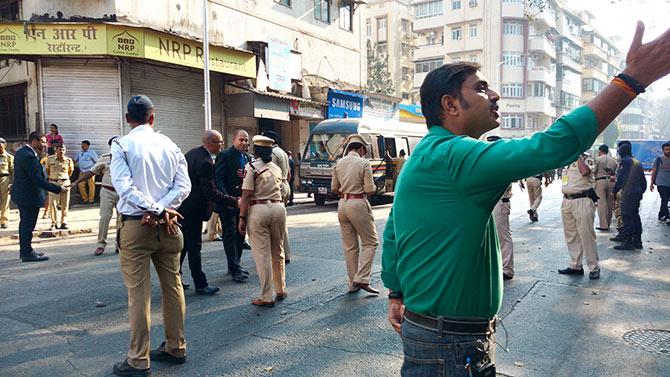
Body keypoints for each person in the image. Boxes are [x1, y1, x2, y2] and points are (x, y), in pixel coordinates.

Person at [382, 21, 670, 376]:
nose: (496, 95)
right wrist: (631, 80)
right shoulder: (453, 156)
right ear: (450, 104)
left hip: (436, 335)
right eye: (481, 88)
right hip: (449, 346)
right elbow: (551, 146)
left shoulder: (428, 155)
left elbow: (394, 229)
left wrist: (396, 291)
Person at [110, 95, 191, 377]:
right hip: (169, 226)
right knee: (173, 287)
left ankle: (138, 359)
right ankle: (176, 346)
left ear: (127, 119)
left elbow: (125, 189)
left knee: (139, 294)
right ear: (152, 118)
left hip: (137, 227)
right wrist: (163, 209)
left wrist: (154, 210)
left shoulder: (121, 144)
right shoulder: (170, 145)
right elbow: (184, 186)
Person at [178, 130, 238, 295]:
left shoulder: (191, 154)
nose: (222, 145)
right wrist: (234, 201)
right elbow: (211, 193)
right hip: (194, 210)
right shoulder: (205, 161)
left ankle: (175, 277)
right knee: (194, 247)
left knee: (183, 246)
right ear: (210, 143)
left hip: (184, 208)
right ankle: (201, 284)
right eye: (219, 142)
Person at [238, 135, 287, 307]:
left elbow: (246, 194)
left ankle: (267, 295)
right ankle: (281, 289)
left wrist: (242, 218)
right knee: (277, 250)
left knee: (262, 254)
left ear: (256, 151)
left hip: (259, 210)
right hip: (278, 208)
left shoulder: (251, 167)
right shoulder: (276, 168)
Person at [332, 135, 379, 295]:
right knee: (371, 242)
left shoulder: (339, 163)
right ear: (361, 149)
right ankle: (362, 278)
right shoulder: (364, 163)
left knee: (350, 247)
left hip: (342, 205)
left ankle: (352, 283)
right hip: (358, 203)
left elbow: (334, 188)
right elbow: (370, 189)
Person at [11, 132, 65, 262]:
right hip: (28, 196)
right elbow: (38, 180)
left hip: (22, 195)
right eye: (43, 142)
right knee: (27, 226)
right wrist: (58, 188)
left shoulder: (21, 152)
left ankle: (27, 250)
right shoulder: (29, 156)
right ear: (34, 141)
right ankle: (26, 253)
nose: (45, 145)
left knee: (25, 225)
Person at [73, 136, 120, 255]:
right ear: (110, 146)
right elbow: (91, 172)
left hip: (122, 193)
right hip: (107, 191)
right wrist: (77, 182)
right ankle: (101, 244)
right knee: (105, 217)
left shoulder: (128, 158)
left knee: (122, 220)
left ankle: (119, 244)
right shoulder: (105, 158)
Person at [215, 129, 251, 282]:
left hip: (242, 202)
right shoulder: (225, 155)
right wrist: (227, 198)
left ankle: (236, 263)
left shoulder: (247, 157)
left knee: (240, 233)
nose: (244, 143)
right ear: (234, 140)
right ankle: (234, 267)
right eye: (241, 140)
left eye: (246, 140)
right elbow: (219, 178)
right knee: (229, 234)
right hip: (228, 202)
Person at [558, 153, 600, 279]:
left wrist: (578, 156)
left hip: (582, 199)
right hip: (567, 201)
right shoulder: (568, 160)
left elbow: (585, 172)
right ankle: (575, 265)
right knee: (571, 235)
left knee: (586, 235)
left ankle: (594, 267)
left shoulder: (588, 159)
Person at [262, 130, 292, 263]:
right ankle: (286, 253)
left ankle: (279, 254)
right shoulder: (283, 152)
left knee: (275, 224)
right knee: (281, 222)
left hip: (277, 187)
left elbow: (270, 173)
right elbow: (289, 173)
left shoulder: (273, 153)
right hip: (285, 185)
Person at [488, 136, 514, 280]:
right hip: (490, 202)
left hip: (499, 202)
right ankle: (497, 266)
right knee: (492, 237)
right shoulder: (491, 162)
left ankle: (507, 269)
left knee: (503, 236)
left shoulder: (503, 162)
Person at [612, 140, 647, 250]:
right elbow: (643, 181)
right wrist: (641, 191)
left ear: (622, 152)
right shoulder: (637, 162)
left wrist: (614, 191)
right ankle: (637, 240)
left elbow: (621, 178)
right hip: (636, 192)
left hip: (628, 192)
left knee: (626, 216)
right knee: (635, 216)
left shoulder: (624, 161)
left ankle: (627, 241)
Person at [45, 143, 74, 230]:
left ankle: (64, 222)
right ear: (56, 150)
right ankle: (53, 223)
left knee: (65, 204)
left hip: (65, 183)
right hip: (53, 183)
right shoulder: (50, 159)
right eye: (60, 149)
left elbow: (70, 172)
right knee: (53, 204)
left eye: (63, 150)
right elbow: (47, 170)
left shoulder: (68, 160)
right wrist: (53, 179)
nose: (61, 151)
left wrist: (64, 180)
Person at [594, 144, 618, 230]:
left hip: (600, 181)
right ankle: (608, 223)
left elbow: (594, 170)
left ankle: (603, 225)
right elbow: (615, 171)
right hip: (611, 181)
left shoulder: (597, 159)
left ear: (600, 151)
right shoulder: (613, 161)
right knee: (609, 203)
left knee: (601, 204)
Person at [650, 141, 670, 222]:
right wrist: (651, 183)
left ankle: (661, 214)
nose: (668, 151)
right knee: (664, 199)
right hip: (661, 184)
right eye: (666, 149)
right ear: (663, 150)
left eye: (669, 149)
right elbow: (654, 172)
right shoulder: (658, 160)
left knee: (665, 200)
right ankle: (668, 216)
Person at [74, 140, 99, 204]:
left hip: (90, 171)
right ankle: (85, 199)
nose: (82, 146)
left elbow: (97, 161)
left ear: (88, 146)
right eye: (82, 145)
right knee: (80, 185)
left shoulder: (92, 153)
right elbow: (75, 160)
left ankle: (91, 200)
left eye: (84, 145)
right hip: (82, 171)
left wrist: (94, 170)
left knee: (91, 186)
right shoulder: (79, 153)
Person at [0, 138, 14, 229]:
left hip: (5, 179)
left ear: (5, 145)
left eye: (1, 144)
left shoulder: (9, 157)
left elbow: (13, 171)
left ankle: (4, 220)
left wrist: (12, 183)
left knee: (5, 201)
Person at [40, 146, 55, 219]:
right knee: (49, 197)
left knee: (48, 197)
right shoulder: (46, 160)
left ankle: (47, 212)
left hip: (47, 180)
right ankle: (48, 212)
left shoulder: (44, 159)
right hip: (52, 180)